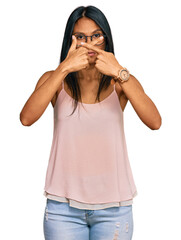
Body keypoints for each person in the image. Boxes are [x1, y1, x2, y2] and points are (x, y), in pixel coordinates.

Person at [20, 5, 162, 240]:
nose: (89, 43)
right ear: (70, 41)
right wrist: (64, 67)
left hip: (114, 210)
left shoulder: (121, 82)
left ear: (106, 38)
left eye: (96, 35)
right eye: (81, 37)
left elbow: (155, 122)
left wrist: (119, 71)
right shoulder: (55, 80)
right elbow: (26, 118)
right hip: (62, 210)